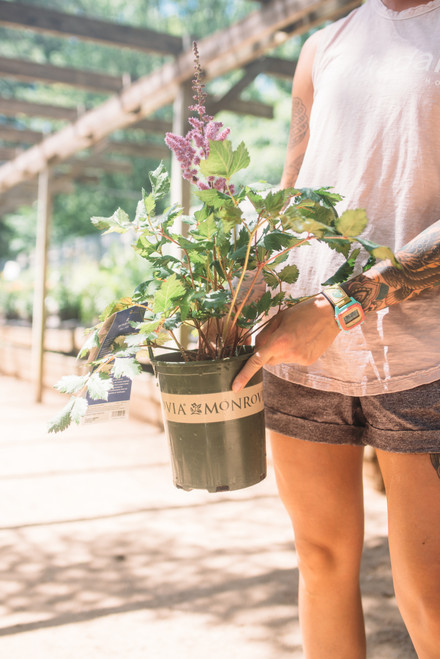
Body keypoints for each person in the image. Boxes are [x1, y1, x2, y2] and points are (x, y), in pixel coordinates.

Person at [232, 1, 440, 657]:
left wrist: (338, 305)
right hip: (302, 352)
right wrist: (238, 285)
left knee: (429, 589)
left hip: (422, 356)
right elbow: (293, 190)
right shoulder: (322, 48)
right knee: (320, 560)